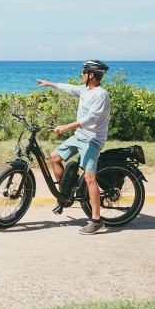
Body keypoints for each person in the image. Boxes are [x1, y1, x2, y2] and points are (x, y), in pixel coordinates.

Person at [36, 60, 110, 235]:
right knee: (54, 157)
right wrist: (50, 84)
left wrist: (65, 127)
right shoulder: (86, 90)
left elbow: (90, 119)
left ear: (91, 75)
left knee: (89, 178)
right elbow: (69, 88)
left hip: (92, 140)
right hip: (79, 137)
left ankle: (96, 220)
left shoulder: (101, 94)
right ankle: (65, 193)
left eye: (84, 72)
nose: (82, 74)